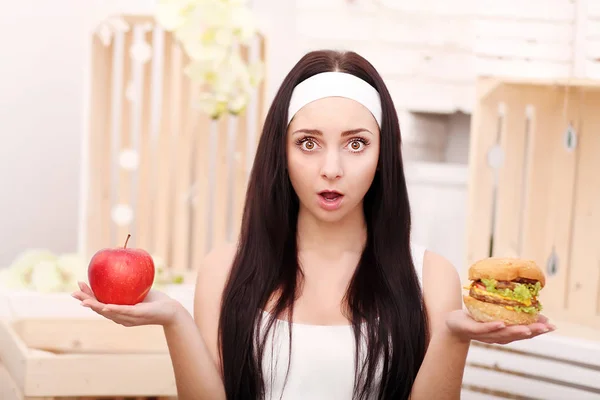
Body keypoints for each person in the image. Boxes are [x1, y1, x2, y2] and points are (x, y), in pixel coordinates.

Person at [72, 50, 555, 400]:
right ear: (280, 153)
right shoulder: (226, 270)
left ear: (384, 155)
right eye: (308, 142)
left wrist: (454, 336)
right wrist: (174, 320)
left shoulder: (431, 277)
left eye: (356, 143)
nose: (331, 168)